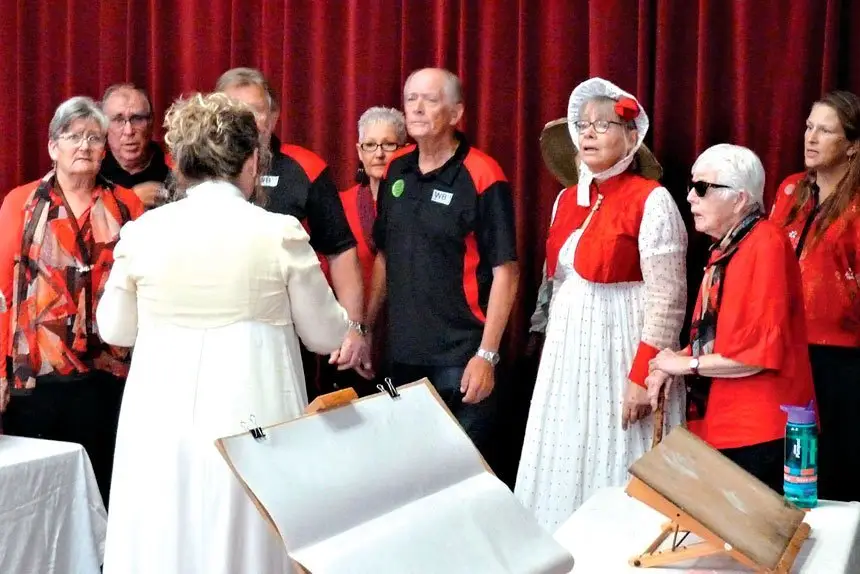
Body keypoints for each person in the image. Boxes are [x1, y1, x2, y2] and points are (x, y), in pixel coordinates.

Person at [98, 92, 347, 573]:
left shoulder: (144, 232)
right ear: (252, 161)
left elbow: (115, 328)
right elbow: (324, 335)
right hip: (252, 421)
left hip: (160, 422)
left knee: (163, 538)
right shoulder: (279, 232)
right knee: (248, 543)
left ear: (181, 164)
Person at [514, 78, 688, 531]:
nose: (588, 133)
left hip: (621, 346)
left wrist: (643, 376)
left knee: (619, 442)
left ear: (631, 137)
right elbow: (554, 283)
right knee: (568, 442)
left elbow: (668, 299)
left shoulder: (653, 201)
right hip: (570, 354)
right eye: (583, 125)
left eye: (602, 125)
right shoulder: (565, 200)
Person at [367, 68, 519, 455]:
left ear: (455, 113)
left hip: (460, 360)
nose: (416, 109)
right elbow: (384, 255)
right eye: (410, 99)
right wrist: (367, 327)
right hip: (401, 357)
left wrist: (486, 355)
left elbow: (507, 272)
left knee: (458, 477)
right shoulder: (396, 169)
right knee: (402, 471)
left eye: (430, 100)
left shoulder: (483, 174)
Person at [648, 144, 816, 493]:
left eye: (702, 188)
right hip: (727, 428)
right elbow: (720, 341)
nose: (691, 198)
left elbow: (754, 356)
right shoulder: (727, 248)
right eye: (691, 187)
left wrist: (683, 365)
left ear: (739, 199)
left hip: (762, 433)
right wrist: (668, 363)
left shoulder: (766, 242)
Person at [0, 96, 144, 505]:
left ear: (106, 148)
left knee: (104, 490)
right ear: (52, 146)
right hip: (37, 374)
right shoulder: (22, 203)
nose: (84, 146)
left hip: (107, 373)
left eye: (94, 138)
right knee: (39, 497)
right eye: (73, 136)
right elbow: (1, 293)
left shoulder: (126, 204)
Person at [215, 67, 370, 397]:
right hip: (217, 331)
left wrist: (353, 327)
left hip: (290, 334)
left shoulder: (306, 169)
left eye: (255, 111)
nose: (245, 122)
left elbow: (340, 251)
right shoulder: (198, 171)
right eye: (233, 111)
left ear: (273, 117)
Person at [770, 90, 860, 502]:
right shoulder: (790, 190)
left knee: (838, 469)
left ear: (853, 145)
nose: (811, 137)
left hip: (842, 357)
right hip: (785, 350)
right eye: (809, 127)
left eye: (825, 130)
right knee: (788, 465)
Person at [329, 106, 407, 391]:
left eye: (389, 144)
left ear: (405, 148)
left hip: (402, 332)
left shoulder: (415, 205)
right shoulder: (340, 204)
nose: (379, 154)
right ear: (359, 151)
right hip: (350, 331)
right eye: (370, 145)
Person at [99, 83, 170, 207]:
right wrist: (132, 200)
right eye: (118, 120)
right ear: (104, 127)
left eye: (137, 119)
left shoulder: (176, 169)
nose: (129, 131)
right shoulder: (90, 172)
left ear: (151, 122)